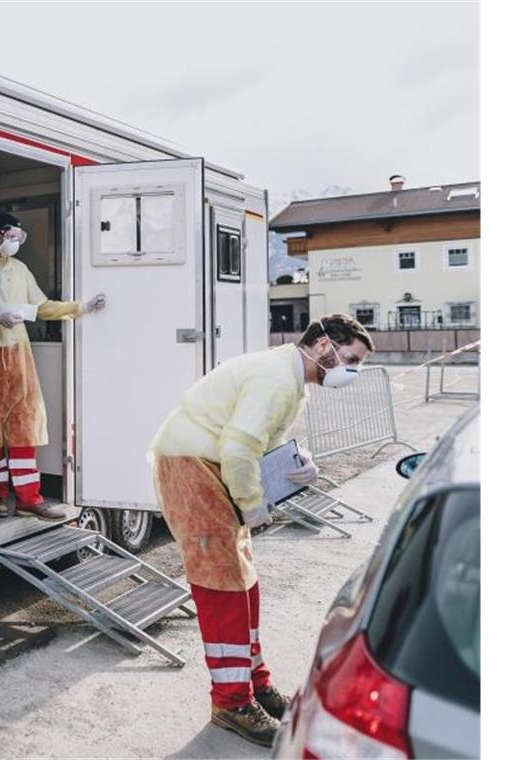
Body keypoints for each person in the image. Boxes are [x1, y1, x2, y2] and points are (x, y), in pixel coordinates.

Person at [147, 313, 374, 747]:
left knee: (243, 583)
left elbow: (258, 443)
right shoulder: (277, 377)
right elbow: (238, 449)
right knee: (222, 586)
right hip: (191, 466)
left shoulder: (290, 378)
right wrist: (253, 506)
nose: (353, 371)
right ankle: (231, 703)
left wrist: (294, 462)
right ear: (325, 347)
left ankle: (256, 685)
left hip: (208, 466)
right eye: (351, 359)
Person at [0, 212, 105, 520]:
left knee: (24, 424)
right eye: (11, 236)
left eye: (20, 237)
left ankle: (30, 499)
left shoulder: (20, 270)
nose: (15, 242)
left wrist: (81, 307)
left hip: (18, 353)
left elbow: (42, 307)